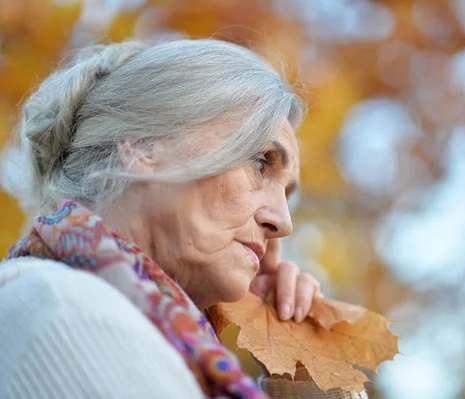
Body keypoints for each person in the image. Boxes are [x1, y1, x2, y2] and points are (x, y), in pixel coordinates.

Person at [0, 39, 323, 399]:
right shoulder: (62, 310)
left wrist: (298, 363)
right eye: (261, 163)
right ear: (141, 144)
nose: (283, 222)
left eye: (286, 193)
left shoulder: (165, 341)